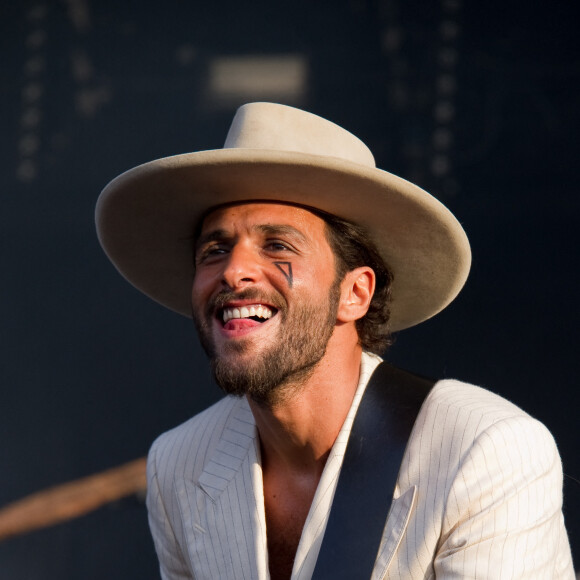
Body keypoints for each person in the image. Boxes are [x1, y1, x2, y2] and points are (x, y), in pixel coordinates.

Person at [96, 103, 574, 579]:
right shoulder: (178, 464)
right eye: (214, 250)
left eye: (278, 244)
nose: (232, 270)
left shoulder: (484, 451)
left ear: (354, 293)